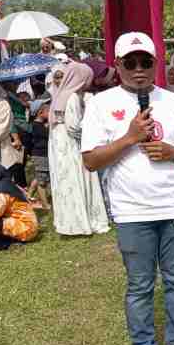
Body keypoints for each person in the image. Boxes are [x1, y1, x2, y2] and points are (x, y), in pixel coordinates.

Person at [82, 32, 174, 345]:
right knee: (140, 284)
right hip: (133, 211)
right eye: (130, 63)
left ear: (156, 64)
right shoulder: (100, 104)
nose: (138, 70)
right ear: (117, 65)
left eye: (145, 62)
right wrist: (130, 137)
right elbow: (91, 161)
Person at [49, 63, 110, 236]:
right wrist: (90, 132)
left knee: (67, 181)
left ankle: (70, 221)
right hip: (70, 144)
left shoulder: (60, 94)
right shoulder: (72, 97)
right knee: (79, 178)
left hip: (59, 144)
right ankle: (85, 221)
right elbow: (73, 127)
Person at [0, 160, 38, 250]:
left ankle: (6, 244)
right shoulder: (3, 182)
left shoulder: (3, 191)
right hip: (22, 223)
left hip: (26, 228)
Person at [27, 100, 51, 211]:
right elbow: (47, 135)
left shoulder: (39, 124)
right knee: (42, 181)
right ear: (40, 113)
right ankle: (45, 205)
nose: (50, 113)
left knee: (39, 176)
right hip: (41, 155)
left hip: (41, 155)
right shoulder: (37, 126)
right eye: (48, 111)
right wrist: (49, 125)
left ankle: (29, 195)